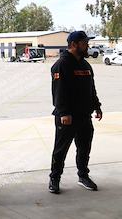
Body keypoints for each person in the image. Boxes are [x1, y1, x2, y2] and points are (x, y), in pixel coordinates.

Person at [49, 30, 102, 194]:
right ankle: (54, 178)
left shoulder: (86, 65)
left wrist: (97, 106)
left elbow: (91, 89)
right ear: (74, 45)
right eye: (84, 42)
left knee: (84, 148)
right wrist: (64, 113)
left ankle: (83, 176)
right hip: (67, 117)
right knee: (60, 150)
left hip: (84, 117)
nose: (88, 45)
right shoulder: (61, 64)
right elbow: (58, 91)